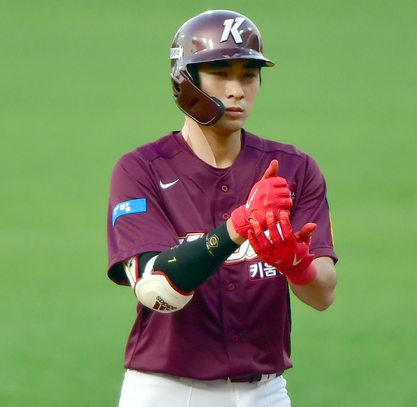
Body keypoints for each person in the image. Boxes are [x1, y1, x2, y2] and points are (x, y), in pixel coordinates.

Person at [106, 10, 338, 407]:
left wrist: (296, 264)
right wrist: (236, 228)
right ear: (186, 82)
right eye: (220, 74)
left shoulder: (295, 169)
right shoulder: (140, 170)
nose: (237, 91)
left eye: (248, 75)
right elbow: (158, 290)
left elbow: (324, 294)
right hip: (168, 393)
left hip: (267, 392)